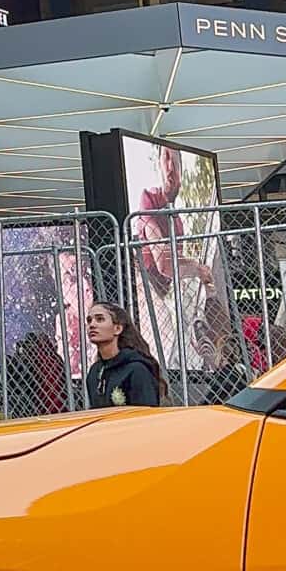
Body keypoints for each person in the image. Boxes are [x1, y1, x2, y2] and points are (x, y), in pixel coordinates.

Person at [134, 146, 215, 368]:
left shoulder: (178, 221)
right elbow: (166, 265)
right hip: (148, 290)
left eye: (175, 160)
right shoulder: (149, 198)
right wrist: (198, 269)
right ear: (159, 164)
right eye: (166, 159)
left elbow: (176, 268)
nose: (170, 167)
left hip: (166, 294)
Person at [85, 302, 163, 408]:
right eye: (89, 320)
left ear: (117, 329)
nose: (92, 325)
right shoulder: (95, 371)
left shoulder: (136, 370)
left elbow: (147, 416)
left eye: (100, 319)